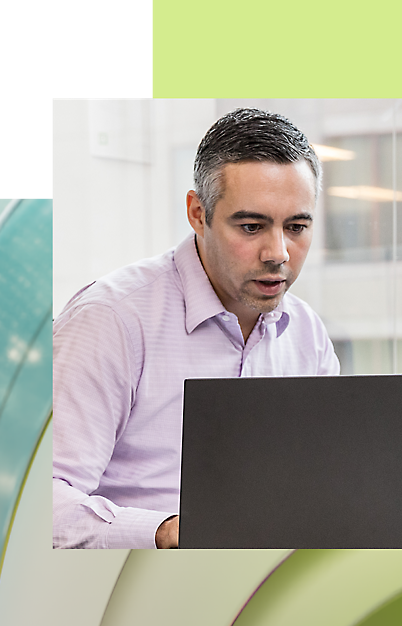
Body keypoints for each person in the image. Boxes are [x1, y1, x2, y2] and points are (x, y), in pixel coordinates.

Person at [53, 108, 340, 549]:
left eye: (297, 227)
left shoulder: (306, 333)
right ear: (197, 213)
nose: (278, 253)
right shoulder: (110, 319)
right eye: (251, 226)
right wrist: (163, 532)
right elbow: (39, 503)